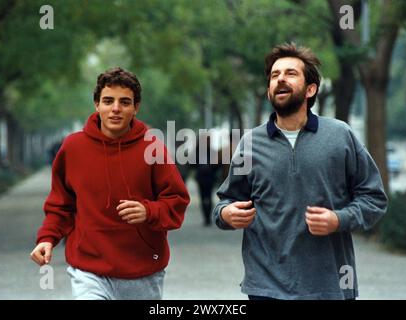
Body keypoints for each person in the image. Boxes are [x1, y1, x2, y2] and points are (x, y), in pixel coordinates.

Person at [212, 43, 387, 300]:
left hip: (330, 287)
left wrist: (339, 219)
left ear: (310, 89)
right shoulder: (250, 144)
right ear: (269, 90)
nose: (280, 78)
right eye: (274, 75)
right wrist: (227, 214)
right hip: (266, 288)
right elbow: (226, 202)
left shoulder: (341, 136)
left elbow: (374, 199)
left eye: (291, 73)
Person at [30, 67, 190, 300]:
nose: (115, 108)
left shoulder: (153, 148)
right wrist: (47, 238)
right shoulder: (73, 148)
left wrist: (148, 211)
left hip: (142, 271)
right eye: (108, 101)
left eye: (125, 102)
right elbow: (61, 204)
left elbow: (177, 201)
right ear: (97, 104)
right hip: (88, 269)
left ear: (136, 107)